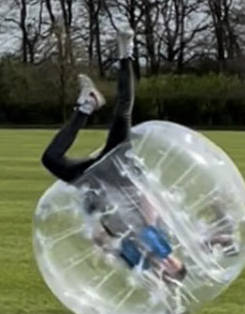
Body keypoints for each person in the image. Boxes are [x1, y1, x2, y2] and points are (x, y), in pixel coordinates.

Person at [41, 27, 187, 284]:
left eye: (167, 271)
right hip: (121, 174)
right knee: (123, 113)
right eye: (173, 266)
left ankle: (87, 105)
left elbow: (102, 236)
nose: (167, 265)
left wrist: (101, 238)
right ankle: (126, 52)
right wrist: (151, 228)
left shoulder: (135, 261)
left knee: (51, 159)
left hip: (96, 186)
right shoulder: (163, 242)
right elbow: (150, 199)